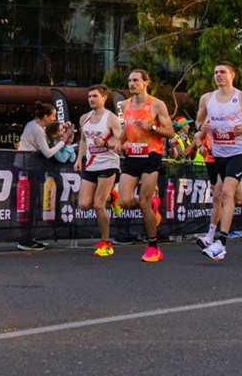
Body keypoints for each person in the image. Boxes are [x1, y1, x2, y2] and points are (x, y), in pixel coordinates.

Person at [193, 62, 242, 261]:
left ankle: (221, 243)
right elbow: (198, 121)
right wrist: (203, 127)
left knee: (226, 193)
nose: (218, 75)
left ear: (232, 75)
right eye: (216, 72)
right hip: (219, 152)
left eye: (222, 72)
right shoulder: (207, 98)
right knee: (234, 196)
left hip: (240, 151)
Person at [117, 69, 176, 263]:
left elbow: (170, 133)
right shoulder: (125, 104)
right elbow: (127, 128)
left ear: (146, 83)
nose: (131, 84)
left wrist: (151, 127)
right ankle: (152, 206)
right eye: (129, 80)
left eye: (135, 80)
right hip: (132, 154)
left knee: (142, 200)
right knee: (124, 201)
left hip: (152, 154)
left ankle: (153, 246)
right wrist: (119, 142)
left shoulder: (157, 104)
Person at [16, 101, 73, 251]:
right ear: (46, 116)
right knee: (29, 204)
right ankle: (26, 239)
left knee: (29, 204)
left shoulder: (33, 125)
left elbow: (50, 133)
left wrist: (63, 129)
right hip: (28, 168)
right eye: (53, 116)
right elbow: (48, 153)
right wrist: (63, 142)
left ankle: (29, 238)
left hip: (26, 167)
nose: (54, 119)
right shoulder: (37, 129)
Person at [77, 84, 123, 257]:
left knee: (98, 204)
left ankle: (106, 243)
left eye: (95, 96)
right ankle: (113, 197)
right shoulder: (84, 118)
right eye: (89, 97)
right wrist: (78, 159)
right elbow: (83, 140)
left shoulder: (110, 119)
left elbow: (121, 143)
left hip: (108, 164)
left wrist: (104, 144)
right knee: (83, 204)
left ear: (104, 98)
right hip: (91, 164)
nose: (91, 99)